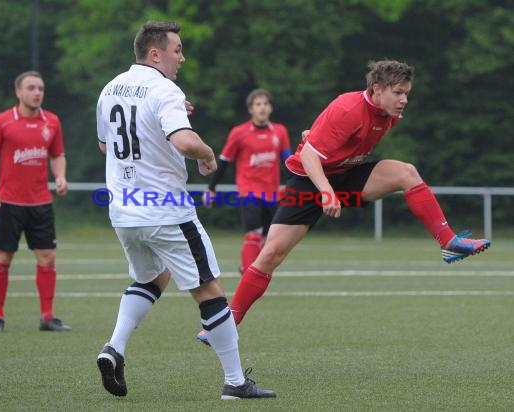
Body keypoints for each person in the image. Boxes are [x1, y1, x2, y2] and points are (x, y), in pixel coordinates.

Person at [197, 59, 491, 343]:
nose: (404, 100)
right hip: (309, 180)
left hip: (346, 174)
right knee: (270, 254)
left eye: (406, 93)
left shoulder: (391, 114)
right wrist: (325, 191)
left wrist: (318, 142)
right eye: (398, 92)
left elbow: (333, 142)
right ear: (377, 89)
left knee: (407, 173)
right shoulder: (348, 108)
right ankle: (226, 323)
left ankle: (448, 240)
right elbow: (310, 156)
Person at [95, 21, 275, 400]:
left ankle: (114, 348)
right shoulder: (165, 90)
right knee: (210, 289)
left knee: (152, 278)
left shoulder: (110, 88)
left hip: (125, 210)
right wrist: (208, 155)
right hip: (165, 210)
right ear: (155, 53)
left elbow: (105, 146)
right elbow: (184, 141)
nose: (182, 57)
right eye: (177, 49)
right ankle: (236, 381)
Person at [0, 71, 71, 333]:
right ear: (19, 92)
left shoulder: (51, 121)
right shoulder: (2, 121)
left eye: (40, 88)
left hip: (41, 202)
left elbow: (58, 154)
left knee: (47, 257)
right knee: (4, 257)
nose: (37, 92)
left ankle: (47, 317)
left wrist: (60, 176)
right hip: (8, 202)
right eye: (31, 88)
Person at [202, 89, 291, 274]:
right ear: (251, 109)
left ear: (271, 108)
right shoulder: (239, 133)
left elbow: (287, 161)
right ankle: (250, 275)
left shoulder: (280, 132)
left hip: (272, 193)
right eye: (258, 104)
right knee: (253, 234)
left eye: (265, 104)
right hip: (248, 191)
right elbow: (225, 162)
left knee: (268, 238)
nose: (262, 108)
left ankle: (248, 268)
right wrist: (211, 188)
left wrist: (296, 183)